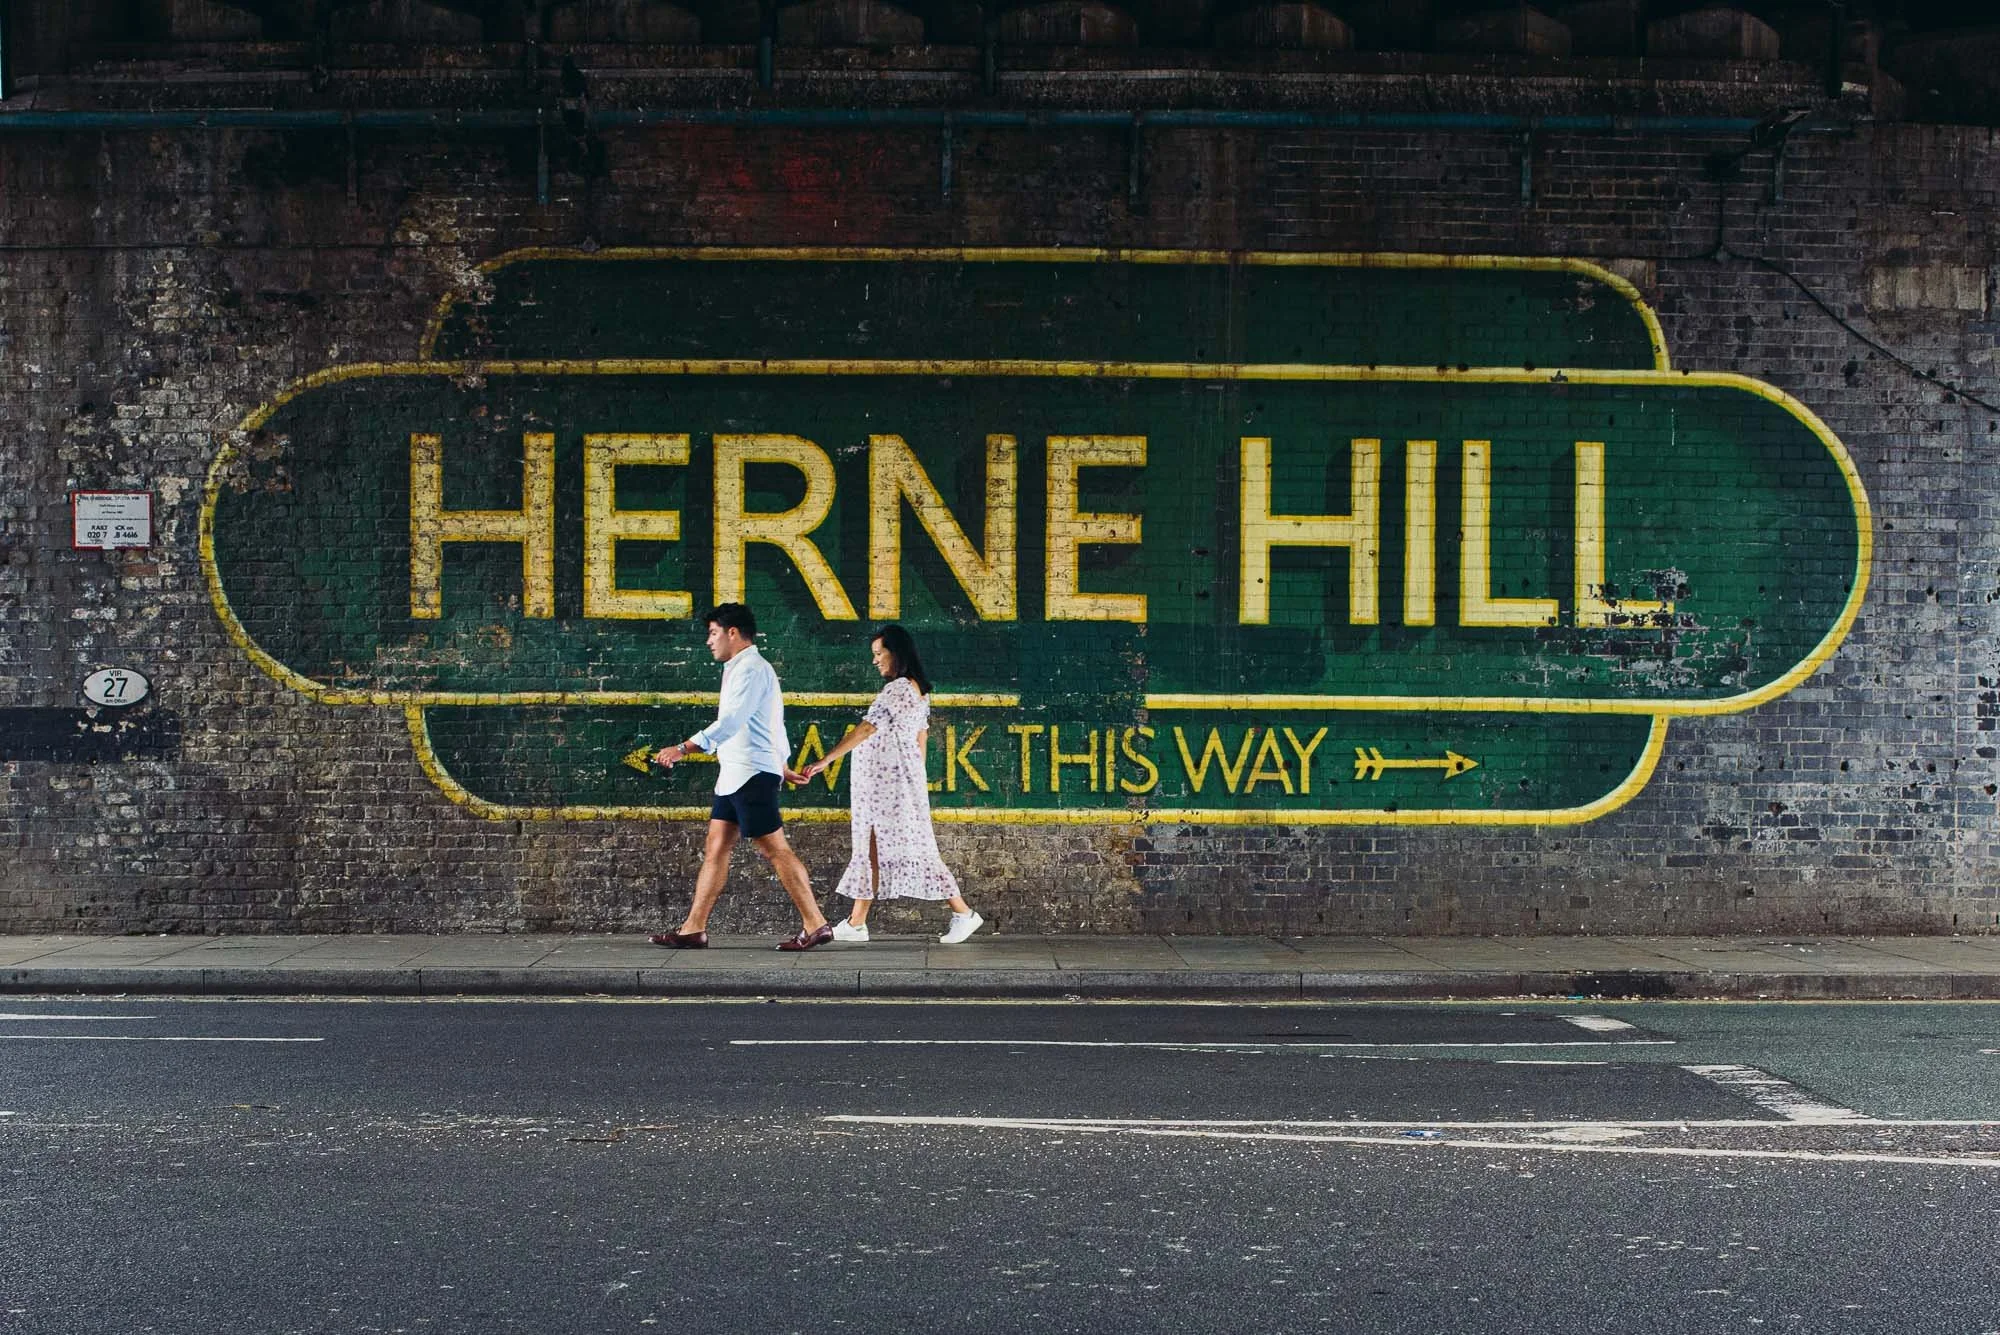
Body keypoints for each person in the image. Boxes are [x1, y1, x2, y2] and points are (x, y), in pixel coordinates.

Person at [648, 603, 834, 952]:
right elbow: (772, 724)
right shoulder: (742, 668)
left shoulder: (751, 669)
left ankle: (816, 923)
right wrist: (781, 765)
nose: (709, 641)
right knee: (716, 846)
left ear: (733, 633)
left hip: (749, 774)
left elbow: (731, 721)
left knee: (774, 849)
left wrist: (683, 748)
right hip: (736, 774)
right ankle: (693, 928)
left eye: (713, 633)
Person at [791, 624, 983, 945]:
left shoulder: (898, 690)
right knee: (874, 848)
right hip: (896, 784)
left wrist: (825, 760)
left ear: (897, 652)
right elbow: (920, 739)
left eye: (879, 653)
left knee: (915, 847)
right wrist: (912, 781)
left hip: (888, 787)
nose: (875, 660)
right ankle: (857, 922)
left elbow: (867, 728)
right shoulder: (919, 692)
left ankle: (963, 913)